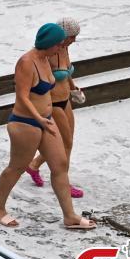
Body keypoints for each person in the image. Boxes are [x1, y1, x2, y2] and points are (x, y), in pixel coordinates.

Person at [0, 23, 95, 229]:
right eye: (59, 44)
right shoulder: (26, 63)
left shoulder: (46, 59)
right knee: (17, 167)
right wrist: (38, 118)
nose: (61, 48)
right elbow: (22, 96)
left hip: (46, 119)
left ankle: (70, 216)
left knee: (60, 165)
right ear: (49, 43)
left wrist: (71, 91)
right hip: (25, 122)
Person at [25, 17, 85, 197]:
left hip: (66, 99)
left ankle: (34, 165)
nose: (74, 40)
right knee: (65, 143)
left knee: (68, 142)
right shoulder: (48, 52)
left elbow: (66, 73)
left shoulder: (64, 49)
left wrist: (74, 89)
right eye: (72, 36)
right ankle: (63, 183)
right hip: (53, 102)